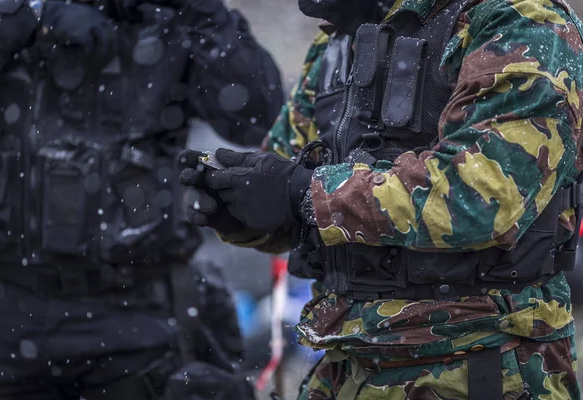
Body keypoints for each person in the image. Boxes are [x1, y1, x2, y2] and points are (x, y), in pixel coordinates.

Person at [180, 0, 583, 398]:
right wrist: (242, 207)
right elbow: (296, 181)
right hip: (345, 365)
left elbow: (482, 197)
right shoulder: (339, 41)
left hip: (478, 364)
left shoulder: (519, 19)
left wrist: (302, 192)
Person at [0, 0, 283, 397]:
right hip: (6, 310)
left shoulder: (168, 22)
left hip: (137, 313)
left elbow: (263, 118)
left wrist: (201, 11)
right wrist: (23, 14)